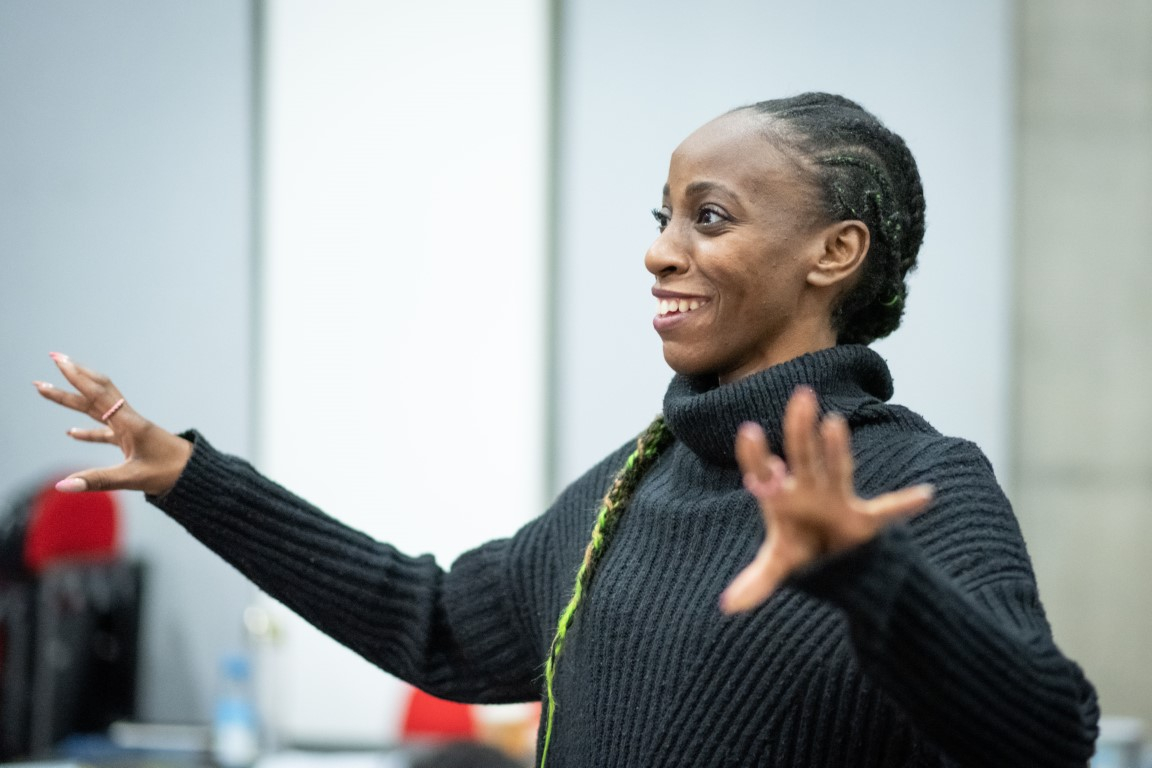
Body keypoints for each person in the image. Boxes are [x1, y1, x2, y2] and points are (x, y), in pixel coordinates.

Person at [34, 93, 1098, 767]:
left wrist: (871, 579)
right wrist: (193, 480)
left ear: (835, 253)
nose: (662, 253)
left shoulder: (919, 481)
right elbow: (439, 624)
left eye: (710, 218)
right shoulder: (635, 486)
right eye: (663, 218)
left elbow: (1049, 736)